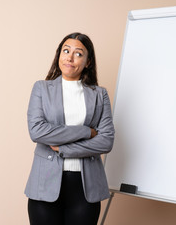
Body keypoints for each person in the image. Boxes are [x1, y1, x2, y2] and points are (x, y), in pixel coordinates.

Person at [25, 32, 115, 225]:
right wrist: (86, 132)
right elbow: (38, 131)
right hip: (44, 186)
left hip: (86, 188)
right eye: (66, 51)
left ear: (88, 62)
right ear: (59, 55)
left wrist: (64, 149)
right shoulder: (41, 88)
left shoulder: (100, 95)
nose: (70, 57)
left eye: (78, 53)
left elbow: (106, 140)